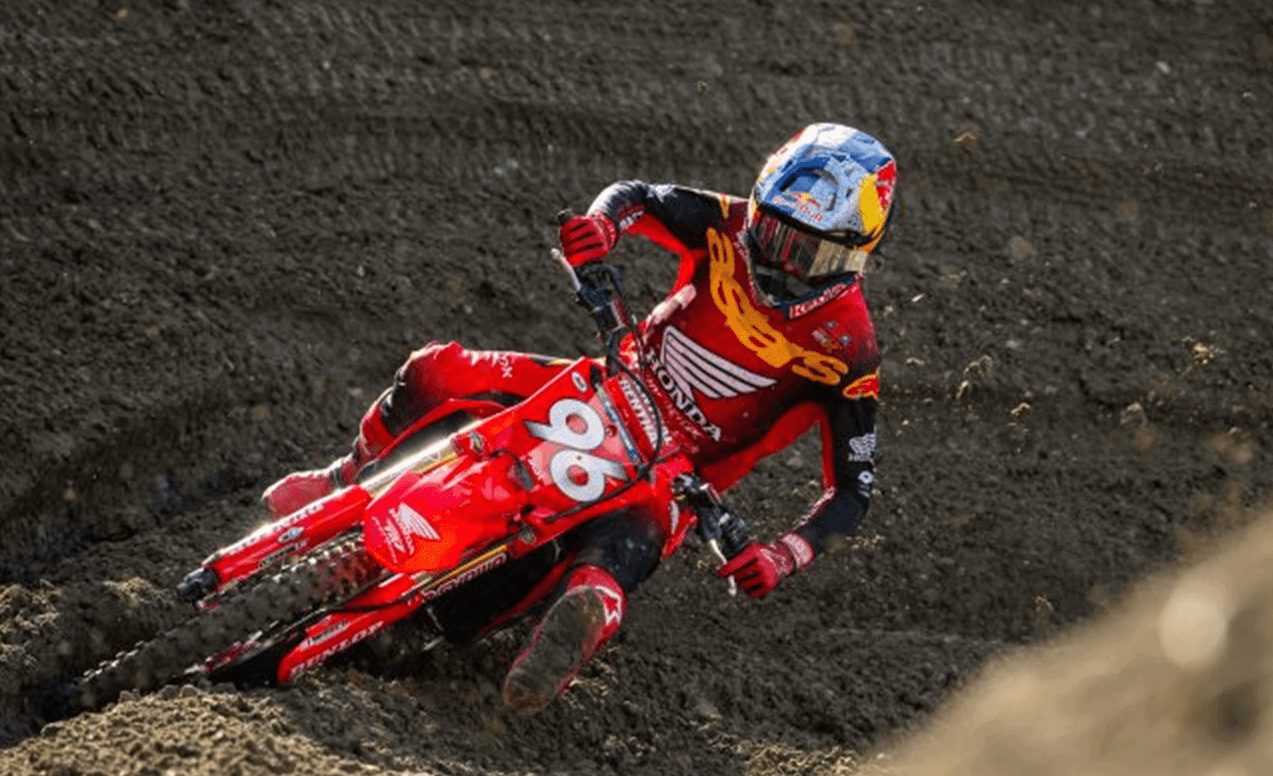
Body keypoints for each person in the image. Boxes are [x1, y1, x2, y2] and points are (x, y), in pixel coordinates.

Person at [262, 123, 896, 712]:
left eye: (808, 253)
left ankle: (575, 628)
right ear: (758, 208)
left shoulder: (851, 349)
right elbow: (638, 196)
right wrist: (601, 227)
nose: (783, 263)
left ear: (855, 255)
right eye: (777, 235)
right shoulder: (725, 221)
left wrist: (783, 556)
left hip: (673, 473)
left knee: (616, 554)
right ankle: (344, 478)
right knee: (438, 371)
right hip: (608, 382)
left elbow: (852, 491)